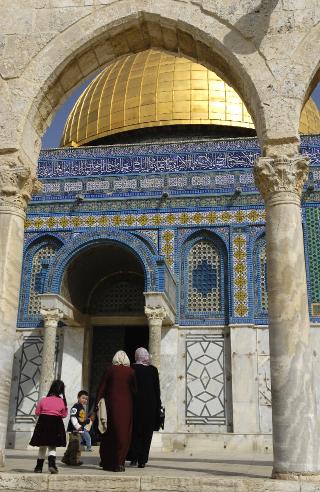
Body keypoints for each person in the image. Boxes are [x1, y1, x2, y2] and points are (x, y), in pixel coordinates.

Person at [98, 350, 136, 472]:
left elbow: (102, 387)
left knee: (109, 432)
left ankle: (107, 462)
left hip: (111, 405)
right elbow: (135, 390)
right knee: (124, 433)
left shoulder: (109, 369)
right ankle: (120, 463)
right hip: (126, 406)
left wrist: (96, 404)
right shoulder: (131, 372)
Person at [127, 347, 161, 468]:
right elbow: (157, 390)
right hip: (150, 407)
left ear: (136, 356)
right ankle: (143, 460)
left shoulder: (131, 369)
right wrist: (158, 406)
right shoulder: (153, 370)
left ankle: (134, 458)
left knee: (135, 432)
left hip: (135, 406)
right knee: (147, 434)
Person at [30, 379, 68, 474]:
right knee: (52, 446)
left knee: (42, 446)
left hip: (43, 423)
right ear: (61, 390)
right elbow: (63, 415)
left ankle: (39, 467)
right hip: (56, 423)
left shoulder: (43, 400)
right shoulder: (61, 401)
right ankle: (52, 465)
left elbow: (37, 412)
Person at [61, 390, 90, 466]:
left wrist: (87, 421)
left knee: (72, 445)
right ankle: (74, 460)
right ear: (78, 397)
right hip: (74, 430)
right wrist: (77, 426)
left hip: (79, 430)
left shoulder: (82, 407)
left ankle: (66, 459)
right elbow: (73, 417)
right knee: (76, 446)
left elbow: (81, 418)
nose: (85, 400)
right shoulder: (76, 406)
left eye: (86, 399)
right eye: (83, 398)